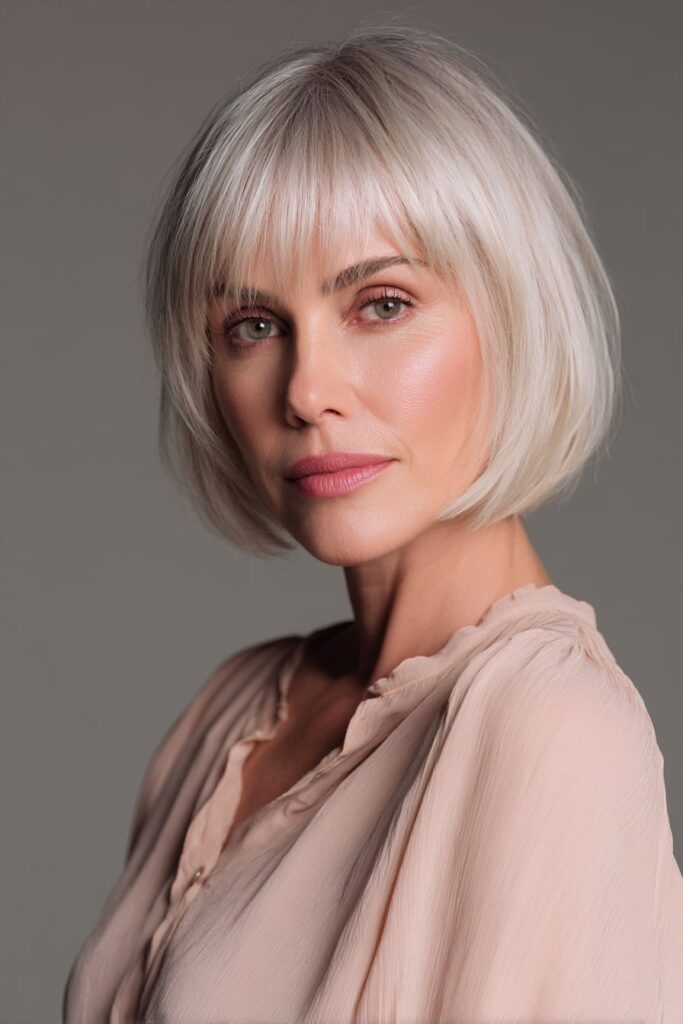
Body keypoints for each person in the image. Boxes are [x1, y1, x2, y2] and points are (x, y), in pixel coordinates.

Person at [62, 23, 683, 1024]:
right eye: (253, 326)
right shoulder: (232, 711)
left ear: (513, 315)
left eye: (380, 303)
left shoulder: (547, 730)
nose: (307, 389)